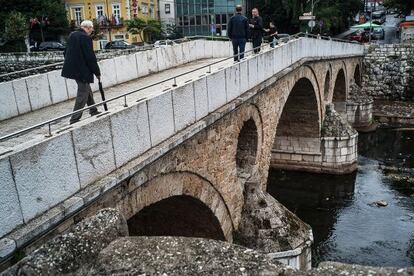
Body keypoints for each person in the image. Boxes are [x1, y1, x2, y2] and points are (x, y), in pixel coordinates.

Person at [62, 20, 101, 124]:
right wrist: (97, 72)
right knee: (82, 93)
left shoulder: (72, 35)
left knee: (87, 89)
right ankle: (74, 118)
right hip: (82, 70)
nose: (92, 31)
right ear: (87, 28)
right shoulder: (85, 37)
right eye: (91, 29)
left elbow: (65, 52)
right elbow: (90, 57)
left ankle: (93, 110)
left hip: (73, 68)